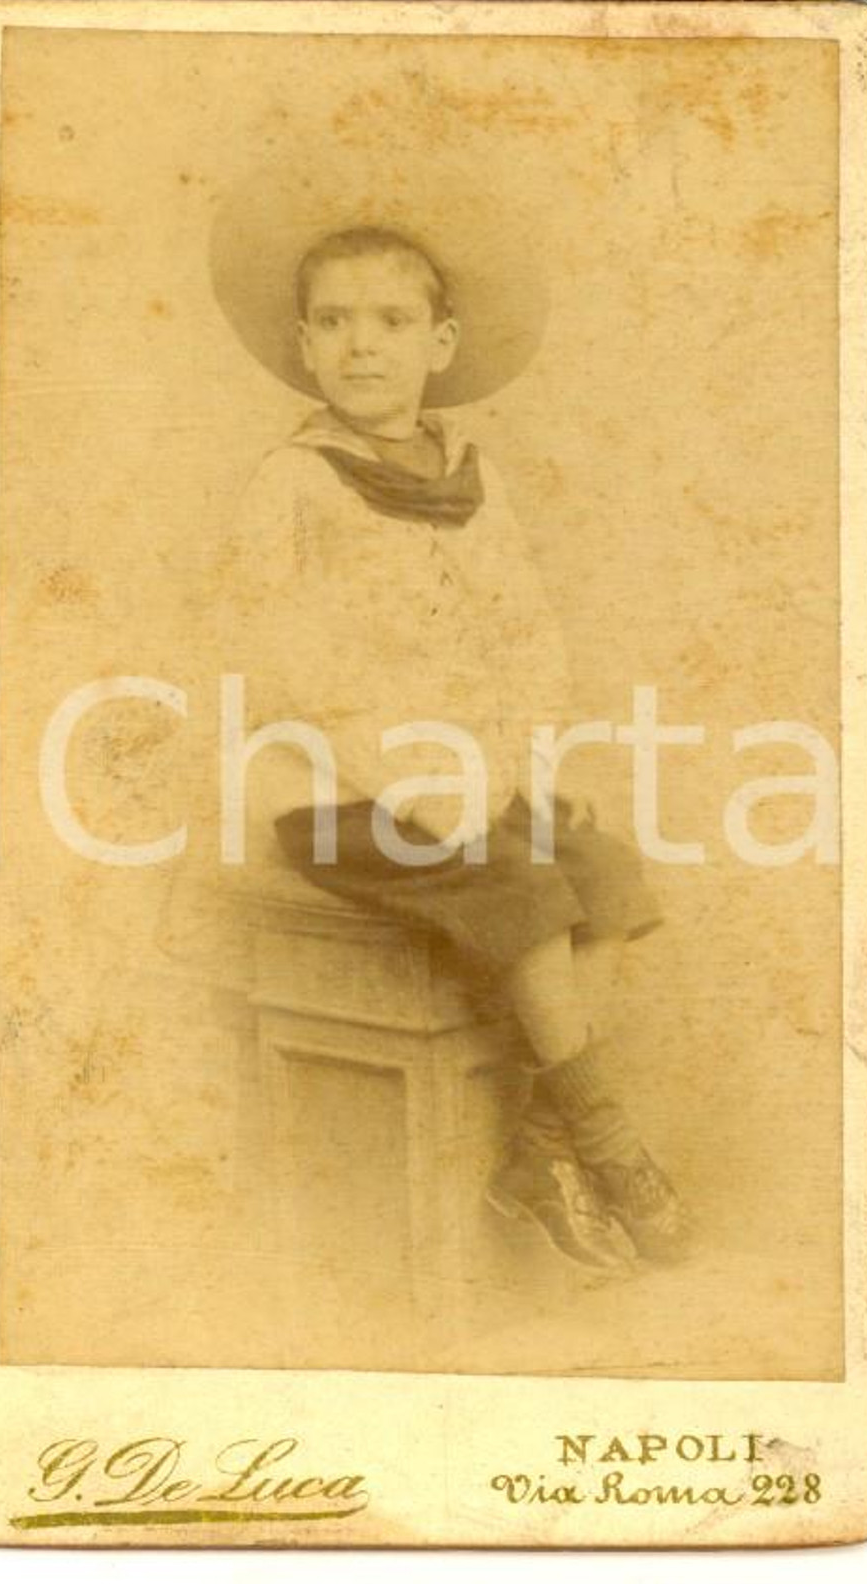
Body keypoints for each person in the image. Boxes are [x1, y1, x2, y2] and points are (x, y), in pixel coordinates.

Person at [211, 169, 691, 1274]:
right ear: (302, 343)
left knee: (604, 872)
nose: (360, 346)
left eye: (389, 321)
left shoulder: (473, 479)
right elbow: (289, 660)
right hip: (337, 787)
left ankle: (538, 1146)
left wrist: (527, 760)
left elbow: (525, 635)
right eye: (332, 323)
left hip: (469, 773)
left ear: (441, 341)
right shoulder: (289, 485)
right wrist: (425, 778)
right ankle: (607, 1140)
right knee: (521, 889)